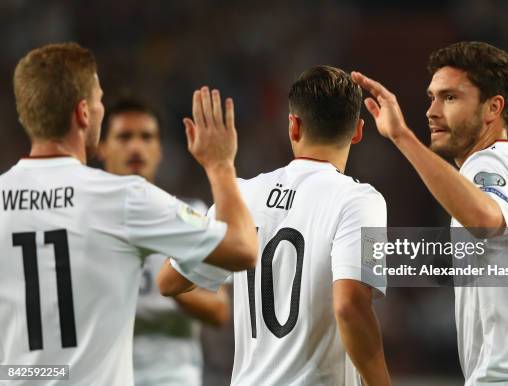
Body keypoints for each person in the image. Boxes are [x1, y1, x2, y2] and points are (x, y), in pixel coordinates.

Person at [0, 42, 257, 385]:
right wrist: (221, 164)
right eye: (99, 99)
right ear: (84, 113)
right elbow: (242, 247)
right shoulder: (123, 199)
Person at [352, 41, 508, 385]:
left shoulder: (486, 163)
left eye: (450, 98)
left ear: (493, 108)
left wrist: (401, 136)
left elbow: (485, 221)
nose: (432, 111)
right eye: (432, 97)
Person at [161, 65, 391, 386]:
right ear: (357, 131)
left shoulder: (242, 195)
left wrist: (195, 215)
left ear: (293, 126)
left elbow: (169, 282)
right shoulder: (360, 201)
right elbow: (350, 304)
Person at [97, 98, 230, 386]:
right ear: (101, 147)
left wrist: (173, 283)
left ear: (159, 151)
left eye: (146, 137)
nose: (136, 147)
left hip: (173, 377)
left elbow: (219, 311)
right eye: (124, 137)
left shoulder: (188, 215)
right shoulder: (87, 219)